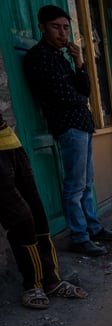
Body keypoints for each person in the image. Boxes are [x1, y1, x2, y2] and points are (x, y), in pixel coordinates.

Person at [23, 5, 112, 257]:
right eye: (56, 27)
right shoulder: (39, 58)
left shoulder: (61, 57)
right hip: (69, 127)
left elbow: (85, 90)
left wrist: (79, 62)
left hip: (82, 126)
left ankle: (93, 227)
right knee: (75, 186)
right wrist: (80, 97)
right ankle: (79, 236)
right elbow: (71, 97)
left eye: (66, 28)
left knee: (87, 183)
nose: (62, 33)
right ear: (42, 28)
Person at [0, 113, 88, 309]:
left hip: (11, 144)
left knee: (38, 215)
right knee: (21, 220)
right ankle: (32, 284)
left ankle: (51, 280)